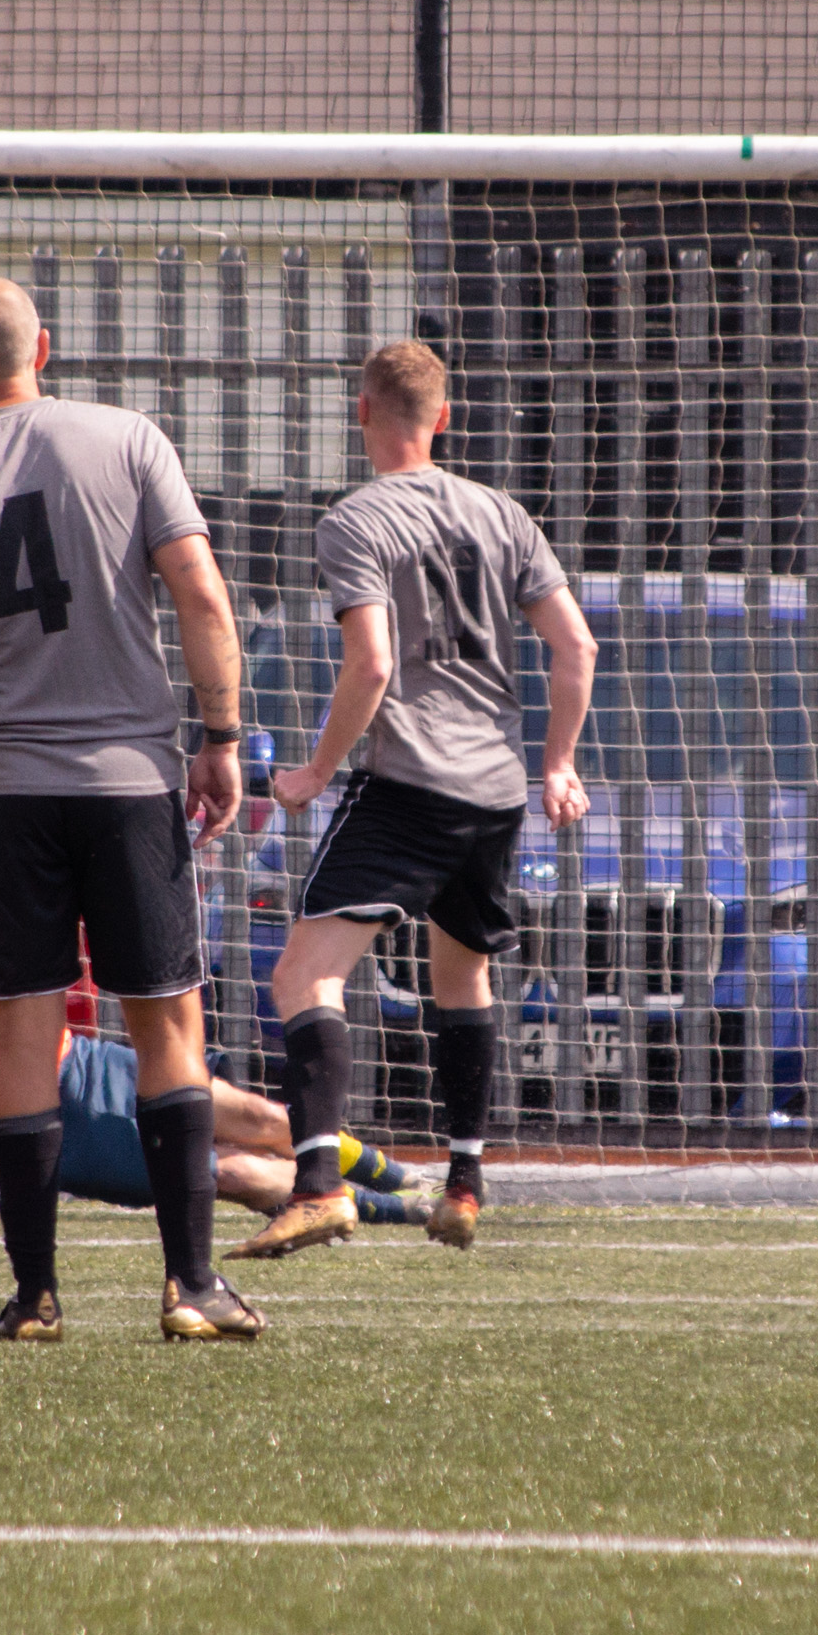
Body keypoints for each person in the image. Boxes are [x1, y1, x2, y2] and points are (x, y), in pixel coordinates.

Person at [0, 276, 259, 1342]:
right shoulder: (131, 440)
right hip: (130, 783)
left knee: (23, 1044)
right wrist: (219, 741)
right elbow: (202, 593)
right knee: (170, 1029)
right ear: (48, 344)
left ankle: (34, 1296)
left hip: (4, 799)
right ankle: (191, 1287)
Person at [236, 340, 596, 1260]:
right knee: (462, 971)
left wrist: (315, 772)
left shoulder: (356, 520)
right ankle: (466, 1186)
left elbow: (374, 663)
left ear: (362, 413)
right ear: (443, 419)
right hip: (495, 791)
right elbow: (576, 647)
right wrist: (557, 765)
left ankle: (318, 1187)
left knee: (303, 976)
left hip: (408, 785)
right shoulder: (502, 512)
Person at [0, 815, 435, 1222]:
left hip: (79, 1064)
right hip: (45, 1138)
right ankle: (402, 1213)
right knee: (225, 1172)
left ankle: (402, 1177)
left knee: (252, 1116)